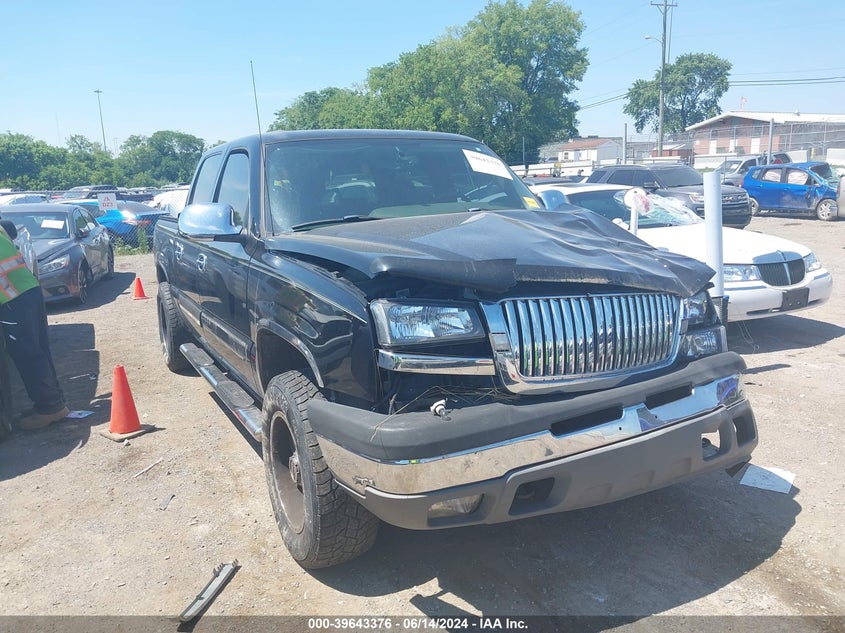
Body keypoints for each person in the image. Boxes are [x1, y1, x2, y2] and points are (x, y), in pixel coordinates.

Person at [0, 219, 68, 430]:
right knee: (39, 350)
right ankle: (54, 403)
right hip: (28, 290)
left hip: (11, 298)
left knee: (27, 354)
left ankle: (49, 408)